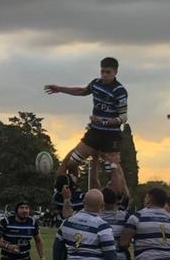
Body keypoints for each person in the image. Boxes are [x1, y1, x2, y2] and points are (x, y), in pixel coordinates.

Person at [43, 57, 129, 199]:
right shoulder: (96, 83)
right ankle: (74, 189)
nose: (104, 75)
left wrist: (104, 122)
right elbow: (82, 91)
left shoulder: (119, 91)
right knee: (72, 162)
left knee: (113, 170)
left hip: (111, 135)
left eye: (108, 72)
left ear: (115, 72)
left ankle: (118, 200)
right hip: (94, 132)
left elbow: (123, 117)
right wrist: (60, 89)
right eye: (102, 71)